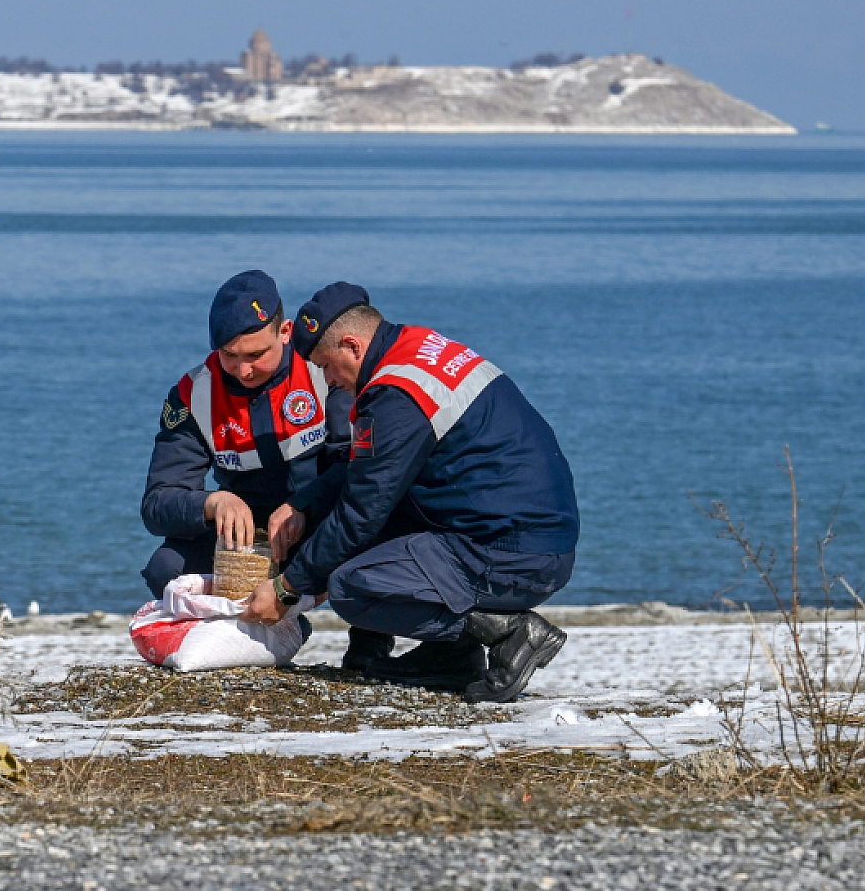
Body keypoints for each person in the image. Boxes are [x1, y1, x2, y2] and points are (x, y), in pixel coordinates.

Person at [241, 282, 579, 704]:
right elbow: (371, 466)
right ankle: (450, 658)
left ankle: (509, 632)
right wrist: (304, 503)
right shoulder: (417, 348)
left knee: (352, 587)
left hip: (512, 553)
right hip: (527, 534)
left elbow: (360, 514)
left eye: (326, 366)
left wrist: (288, 588)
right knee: (374, 522)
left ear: (352, 345)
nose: (328, 380)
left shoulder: (395, 394)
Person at [139, 270, 394, 671]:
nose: (243, 370)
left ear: (286, 331)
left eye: (256, 355)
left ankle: (370, 642)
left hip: (320, 521)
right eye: (230, 355)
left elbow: (362, 467)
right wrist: (212, 502)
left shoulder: (324, 370)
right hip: (246, 542)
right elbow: (157, 503)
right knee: (165, 568)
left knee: (376, 523)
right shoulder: (193, 394)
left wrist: (304, 505)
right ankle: (263, 635)